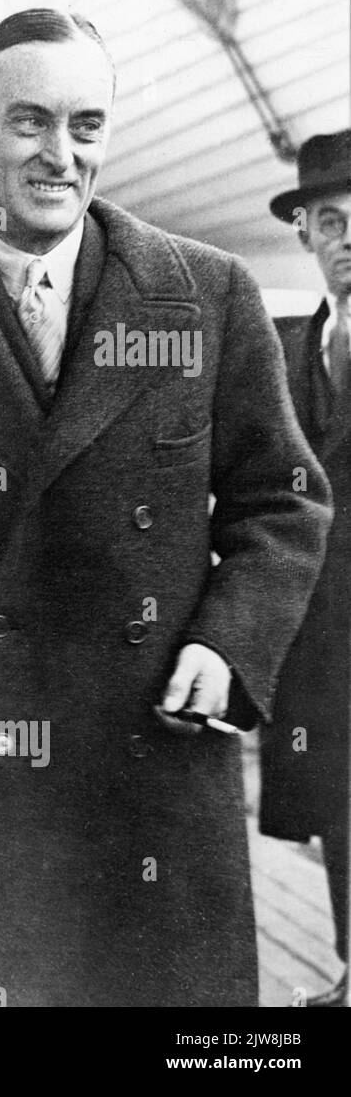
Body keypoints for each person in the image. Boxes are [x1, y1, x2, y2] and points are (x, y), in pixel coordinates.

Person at [0, 8, 332, 1006]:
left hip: (155, 781)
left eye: (86, 125)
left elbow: (284, 501)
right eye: (29, 122)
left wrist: (226, 646)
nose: (61, 154)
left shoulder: (205, 296)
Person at [262, 128, 351, 1007]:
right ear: (307, 237)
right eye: (331, 220)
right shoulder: (279, 349)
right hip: (317, 640)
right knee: (339, 814)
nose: (349, 236)